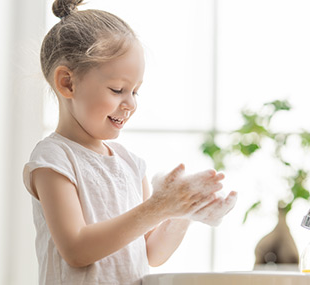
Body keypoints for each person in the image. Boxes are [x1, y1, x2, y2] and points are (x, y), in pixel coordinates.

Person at [22, 0, 238, 284]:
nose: (130, 104)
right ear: (67, 83)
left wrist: (184, 212)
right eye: (118, 89)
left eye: (135, 91)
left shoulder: (130, 164)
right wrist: (159, 207)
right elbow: (76, 249)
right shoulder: (54, 159)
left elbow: (151, 252)